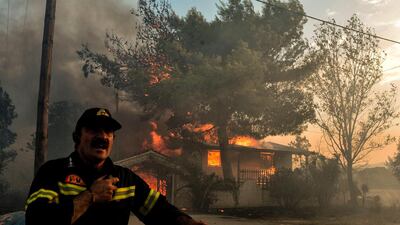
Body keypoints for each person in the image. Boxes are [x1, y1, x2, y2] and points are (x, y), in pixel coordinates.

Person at [25, 107, 206, 225]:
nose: (102, 137)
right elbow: (37, 220)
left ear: (113, 139)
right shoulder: (53, 171)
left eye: (108, 132)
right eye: (93, 130)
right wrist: (90, 196)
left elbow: (160, 211)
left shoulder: (125, 179)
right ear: (77, 137)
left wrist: (188, 223)